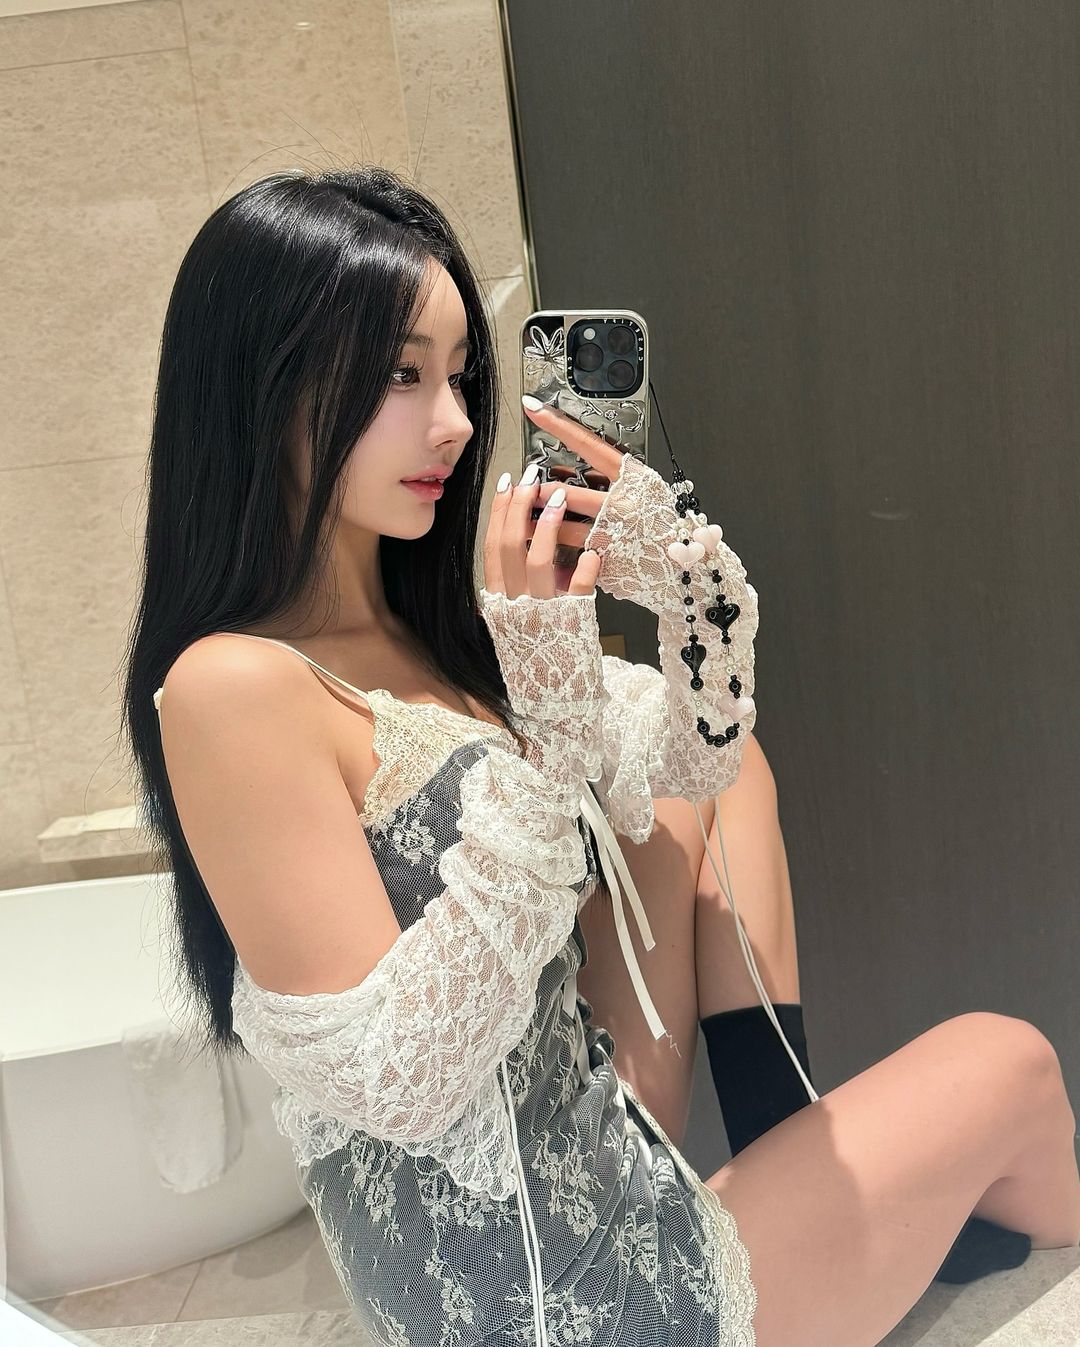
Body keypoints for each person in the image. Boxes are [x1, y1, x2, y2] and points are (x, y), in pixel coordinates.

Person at [123, 163, 1080, 1347]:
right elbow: (402, 1084)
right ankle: (954, 1268)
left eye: (460, 374)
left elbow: (704, 759)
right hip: (541, 1307)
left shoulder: (439, 635)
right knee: (1013, 1064)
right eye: (399, 375)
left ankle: (797, 1148)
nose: (456, 422)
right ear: (260, 385)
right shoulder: (231, 684)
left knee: (697, 797)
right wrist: (550, 719)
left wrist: (679, 577)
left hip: (584, 1155)